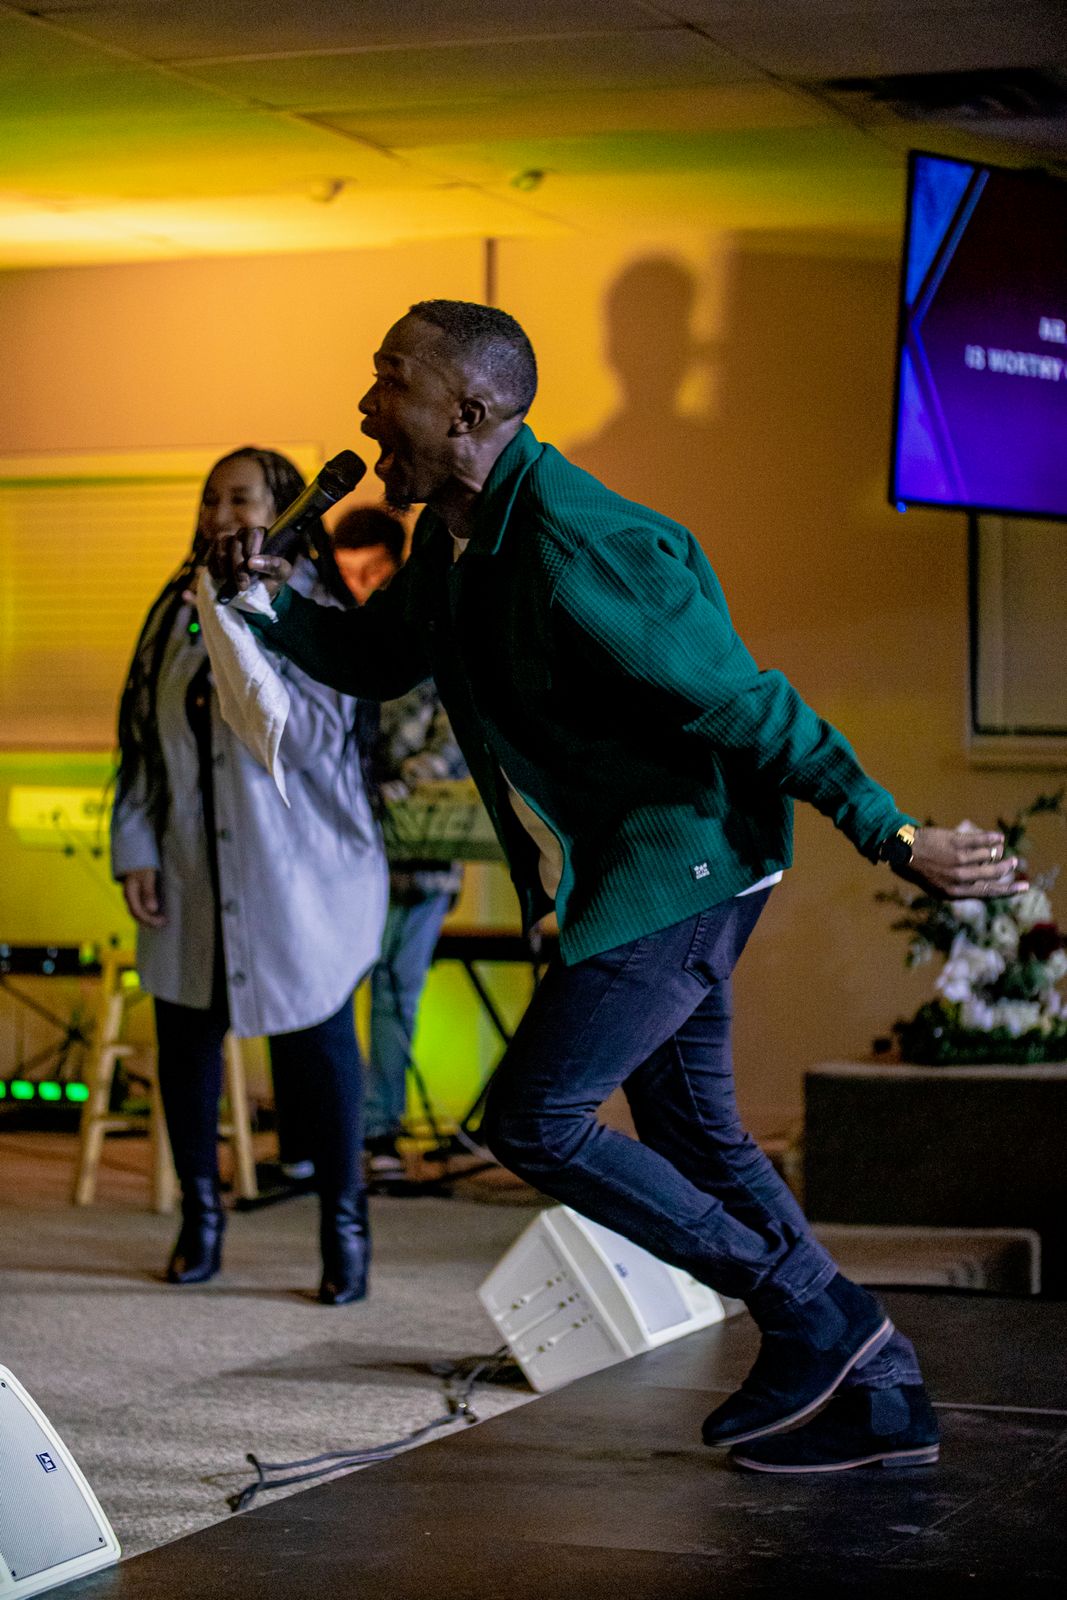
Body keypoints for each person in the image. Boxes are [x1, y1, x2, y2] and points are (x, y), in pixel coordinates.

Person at [212, 302, 1025, 1472]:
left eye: (389, 381)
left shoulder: (579, 545)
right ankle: (882, 1393)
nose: (365, 406)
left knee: (532, 1118)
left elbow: (749, 704)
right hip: (628, 872)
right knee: (695, 1132)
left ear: (468, 411)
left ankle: (814, 1312)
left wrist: (894, 833)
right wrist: (271, 603)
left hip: (682, 865)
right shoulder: (448, 538)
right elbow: (381, 660)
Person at [111, 447, 387, 1304]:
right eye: (211, 500)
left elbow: (305, 742)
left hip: (301, 879)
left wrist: (255, 614)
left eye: (242, 499)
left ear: (286, 509)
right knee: (185, 1040)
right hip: (192, 869)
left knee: (318, 1045)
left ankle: (344, 1227)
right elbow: (143, 739)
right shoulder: (177, 607)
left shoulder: (314, 607)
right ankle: (200, 1218)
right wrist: (135, 846)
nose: (222, 515)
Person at [329, 506, 468, 1182]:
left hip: (419, 858)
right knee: (332, 987)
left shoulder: (432, 637)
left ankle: (379, 1131)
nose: (362, 586)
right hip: (349, 854)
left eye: (374, 572)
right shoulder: (343, 641)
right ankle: (339, 1128)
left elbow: (452, 746)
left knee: (393, 988)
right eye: (350, 574)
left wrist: (392, 786)